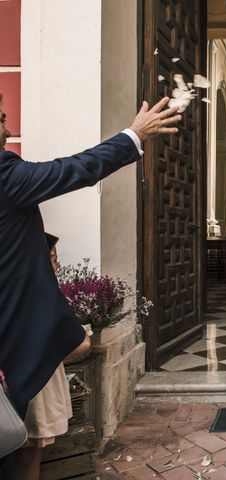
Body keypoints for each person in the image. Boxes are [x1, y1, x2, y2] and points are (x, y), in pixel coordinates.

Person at [0, 93, 179, 473]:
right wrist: (134, 134)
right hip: (11, 328)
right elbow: (74, 169)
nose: (9, 127)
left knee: (19, 434)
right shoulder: (4, 172)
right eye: (1, 117)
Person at [11, 234, 86, 480]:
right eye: (53, 259)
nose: (58, 265)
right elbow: (80, 345)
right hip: (35, 384)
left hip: (17, 381)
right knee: (28, 455)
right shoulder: (39, 295)